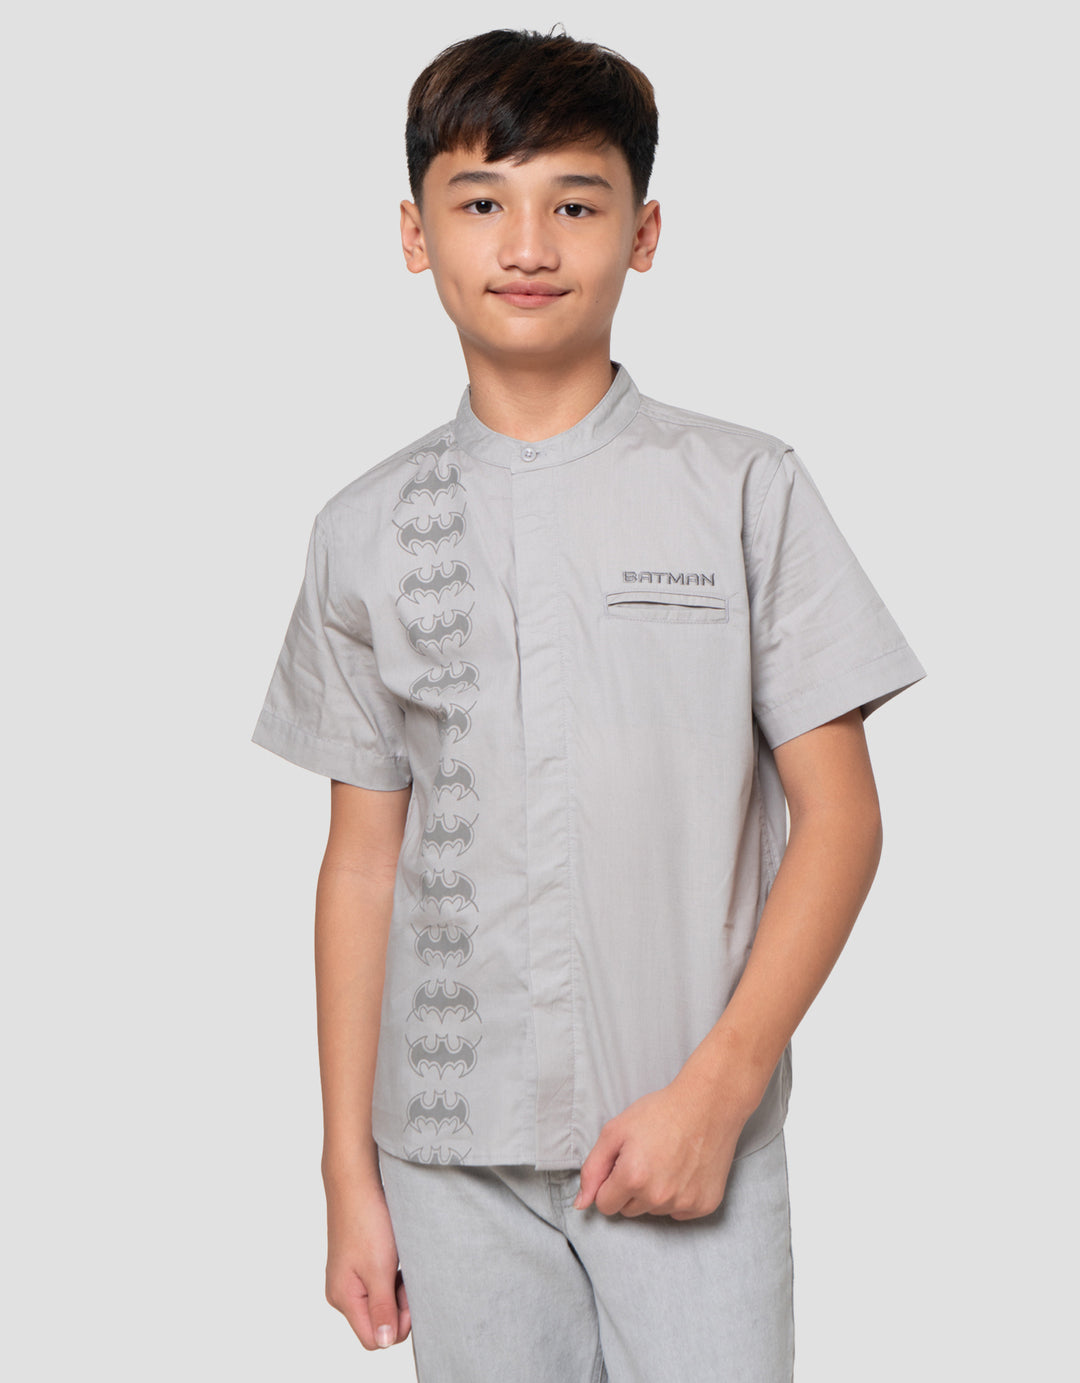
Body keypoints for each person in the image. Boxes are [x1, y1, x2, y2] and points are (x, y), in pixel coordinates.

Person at [251, 26, 926, 1383]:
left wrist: (720, 1090)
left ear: (644, 233)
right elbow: (361, 867)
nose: (527, 245)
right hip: (447, 1163)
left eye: (575, 204)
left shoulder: (745, 489)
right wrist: (347, 1173)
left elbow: (842, 819)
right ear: (414, 233)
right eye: (480, 204)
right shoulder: (362, 531)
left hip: (685, 1142)